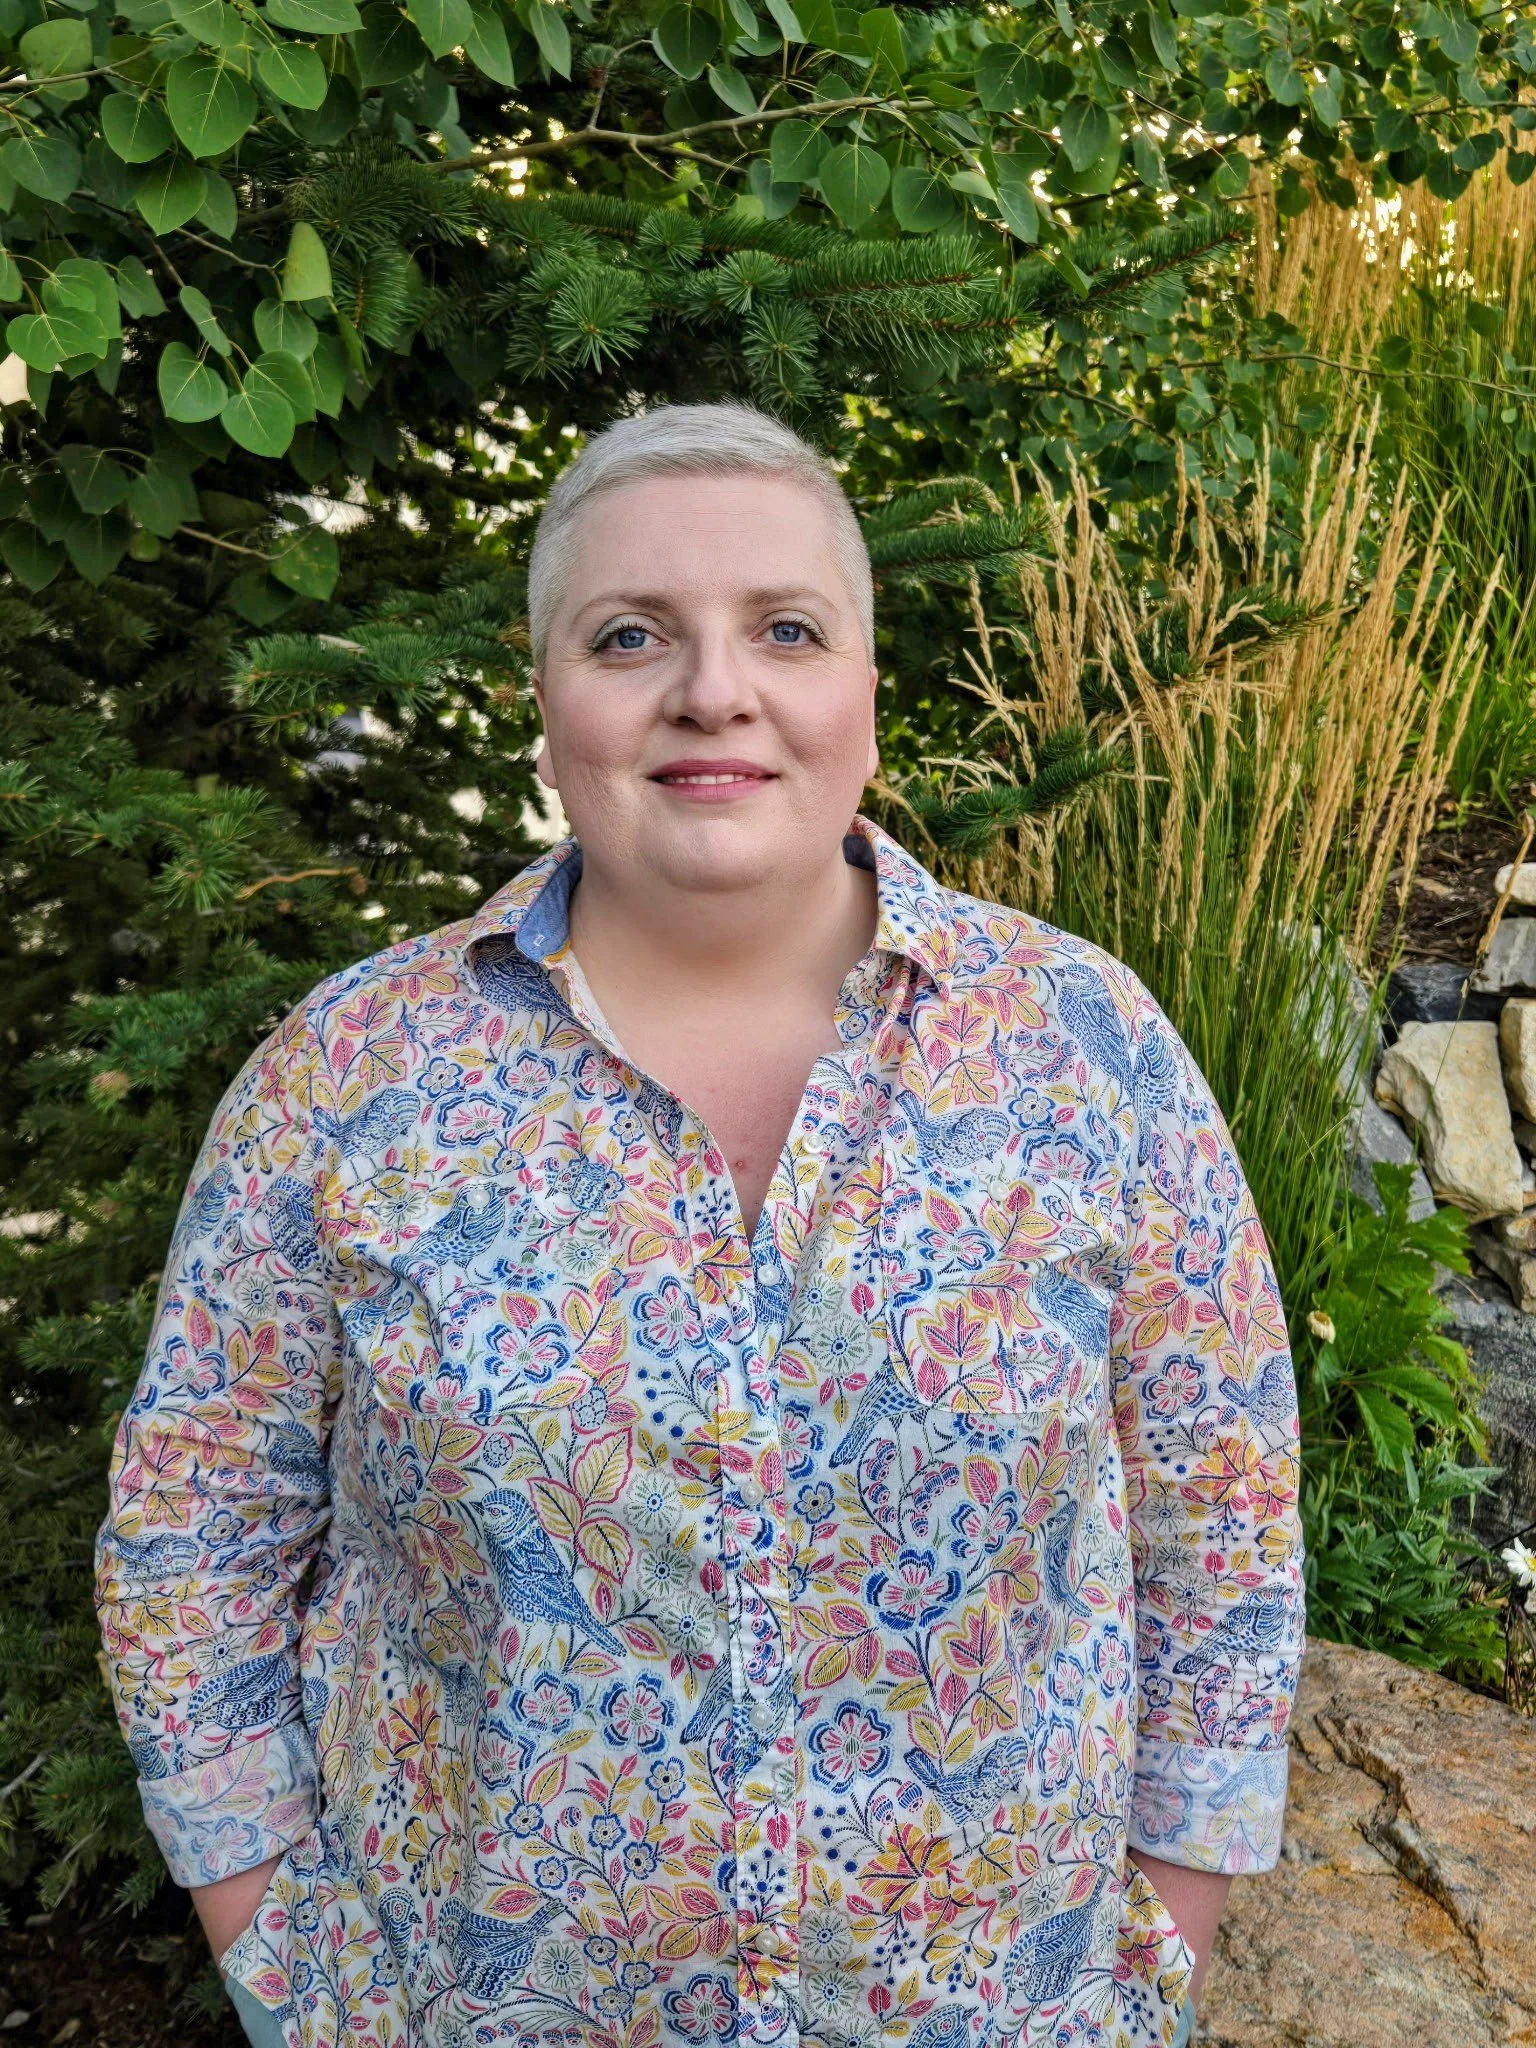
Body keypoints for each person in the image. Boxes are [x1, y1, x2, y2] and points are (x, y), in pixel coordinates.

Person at [95, 402, 1305, 2048]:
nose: (713, 689)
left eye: (784, 630)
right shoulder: (346, 1081)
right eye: (631, 634)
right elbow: (194, 1538)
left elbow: (1221, 1510)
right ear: (547, 698)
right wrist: (300, 1974)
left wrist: (1159, 1941)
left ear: (867, 691)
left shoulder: (1086, 1051)